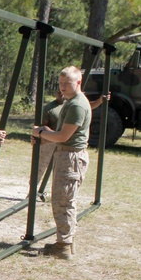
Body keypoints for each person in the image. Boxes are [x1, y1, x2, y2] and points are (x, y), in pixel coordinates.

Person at [31, 66, 92, 259]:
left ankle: (64, 245)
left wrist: (40, 132)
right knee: (62, 200)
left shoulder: (76, 105)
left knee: (63, 201)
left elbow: (64, 136)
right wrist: (44, 137)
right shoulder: (71, 102)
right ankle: (64, 242)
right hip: (67, 154)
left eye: (68, 83)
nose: (63, 87)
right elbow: (62, 136)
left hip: (70, 157)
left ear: (79, 82)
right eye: (61, 83)